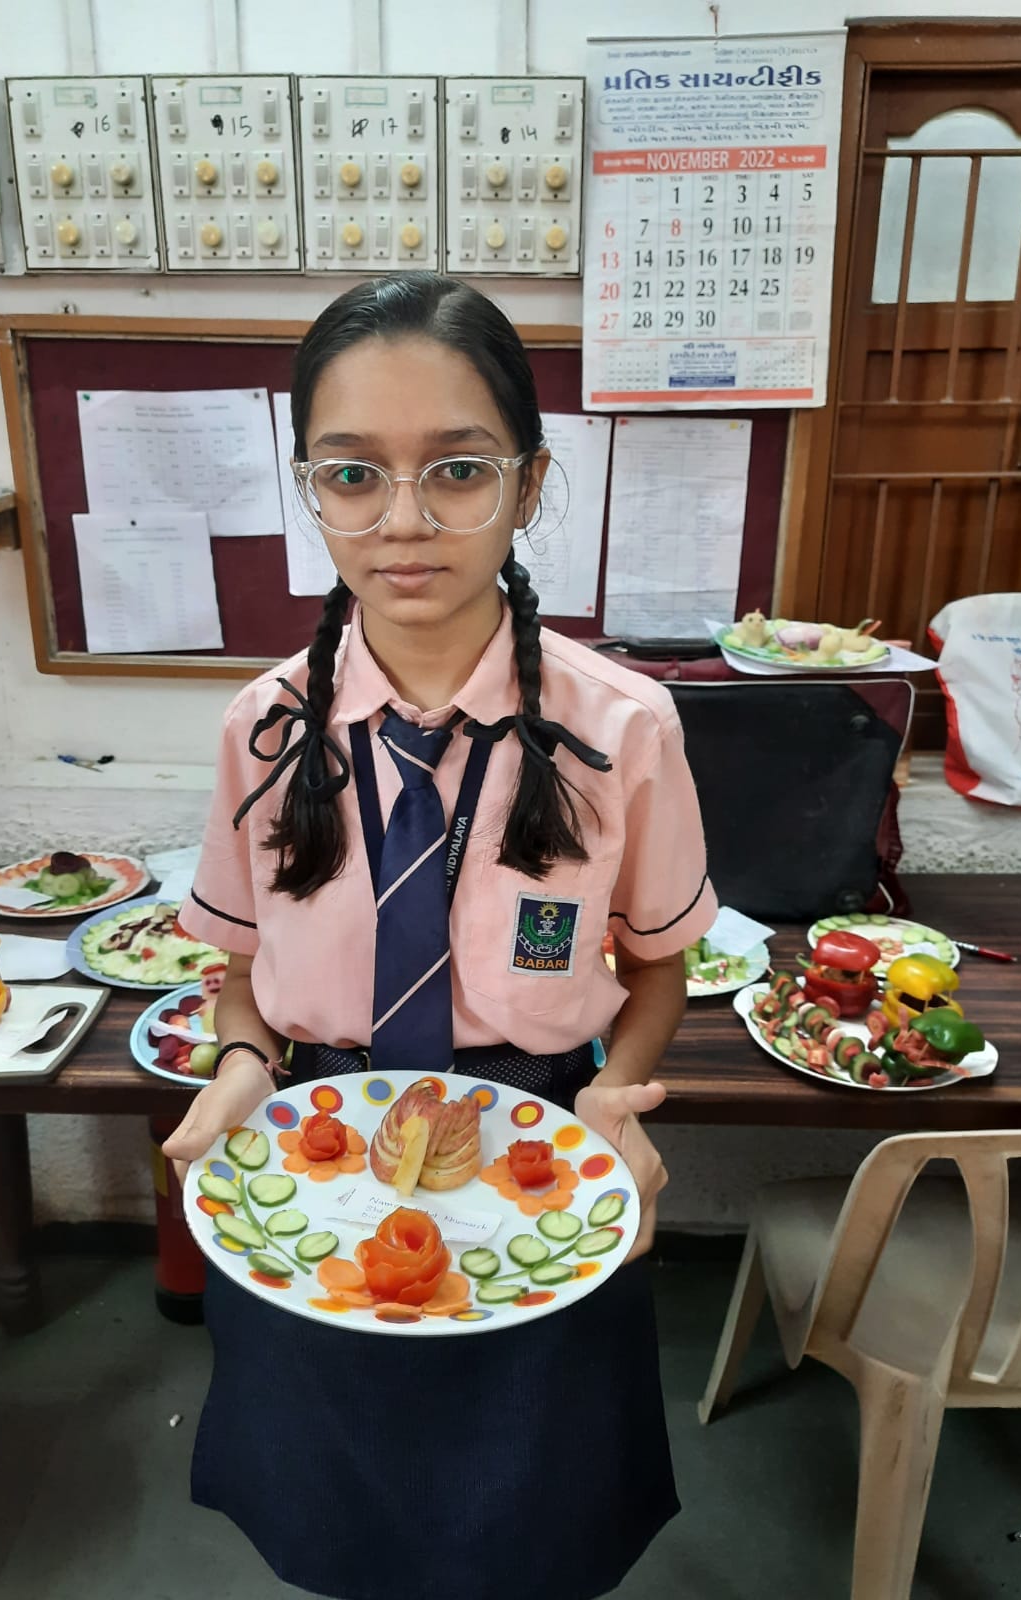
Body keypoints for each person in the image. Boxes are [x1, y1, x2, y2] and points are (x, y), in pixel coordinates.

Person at [164, 271, 714, 1600]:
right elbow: (238, 964)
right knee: (337, 1530)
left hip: (541, 1160)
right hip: (315, 1159)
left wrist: (615, 1106)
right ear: (311, 484)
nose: (402, 523)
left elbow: (657, 961)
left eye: (457, 470)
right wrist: (243, 1065)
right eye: (352, 476)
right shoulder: (263, 724)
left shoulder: (621, 728)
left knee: (529, 1533)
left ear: (528, 485)